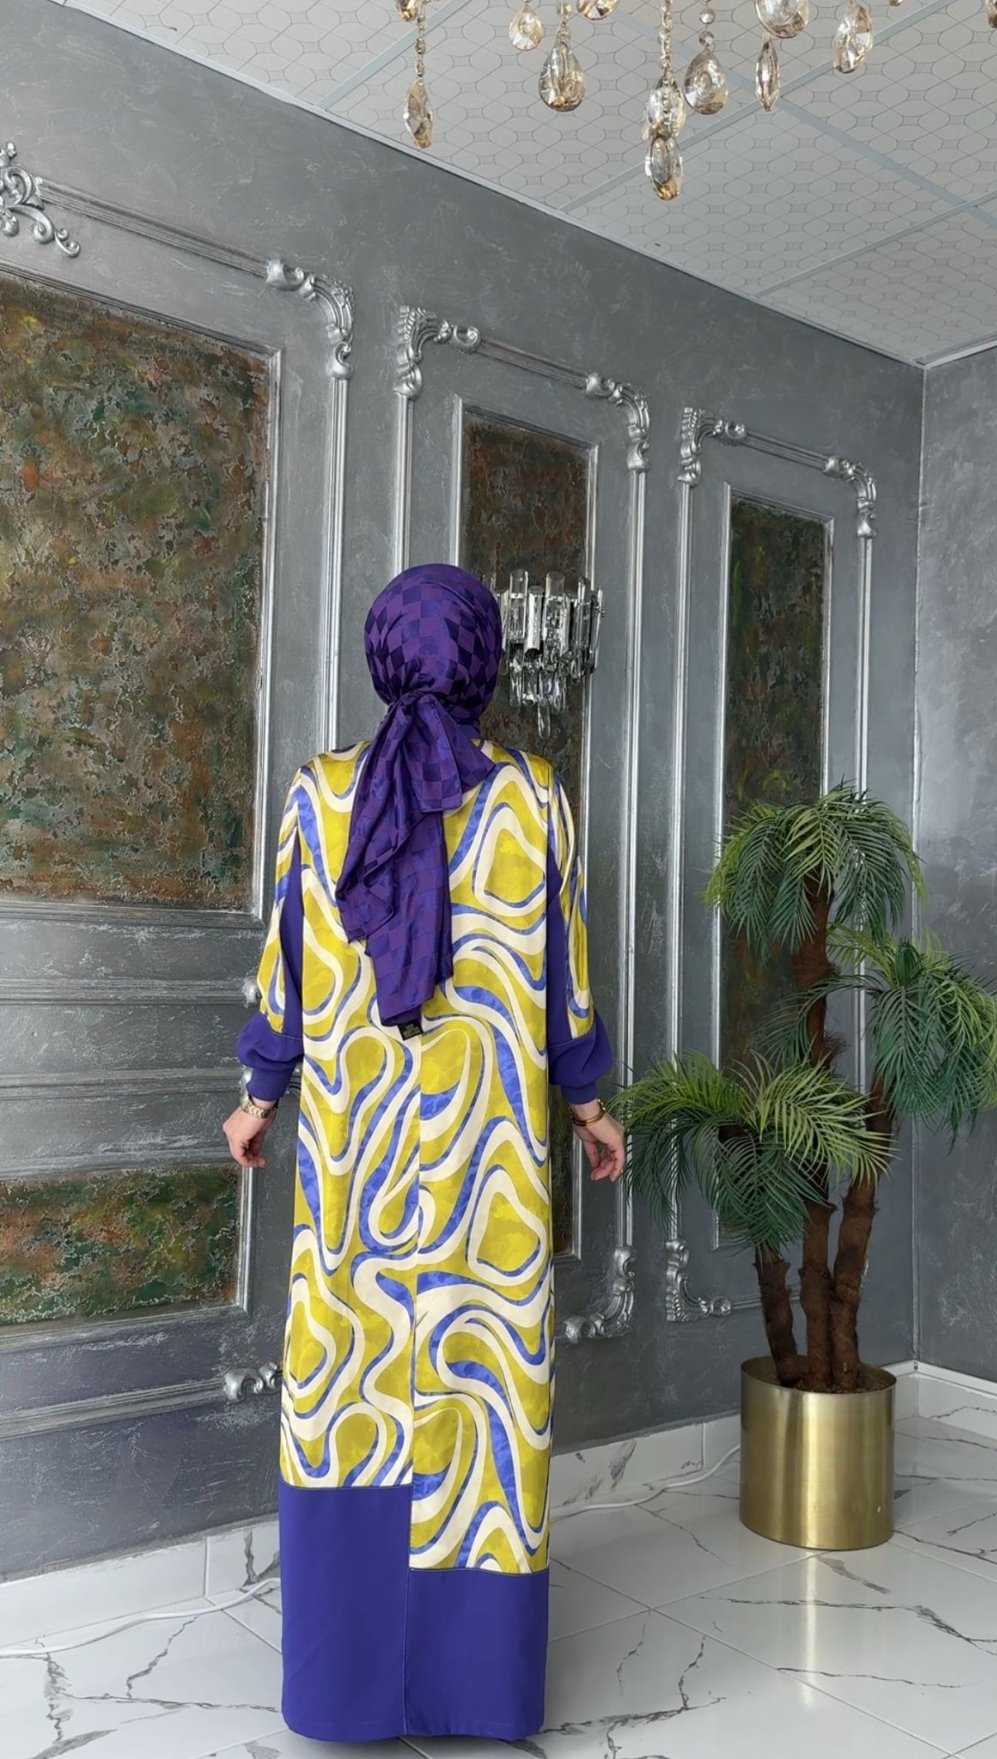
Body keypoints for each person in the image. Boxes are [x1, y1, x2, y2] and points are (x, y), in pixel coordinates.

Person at [223, 562, 624, 1743]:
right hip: (486, 1166)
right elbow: (565, 980)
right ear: (484, 662)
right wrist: (591, 1107)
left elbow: (288, 967)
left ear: (383, 654)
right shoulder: (535, 797)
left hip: (358, 1158)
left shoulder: (319, 792)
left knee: (349, 1383)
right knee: (482, 1389)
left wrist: (258, 1092)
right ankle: (475, 1686)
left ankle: (345, 1688)